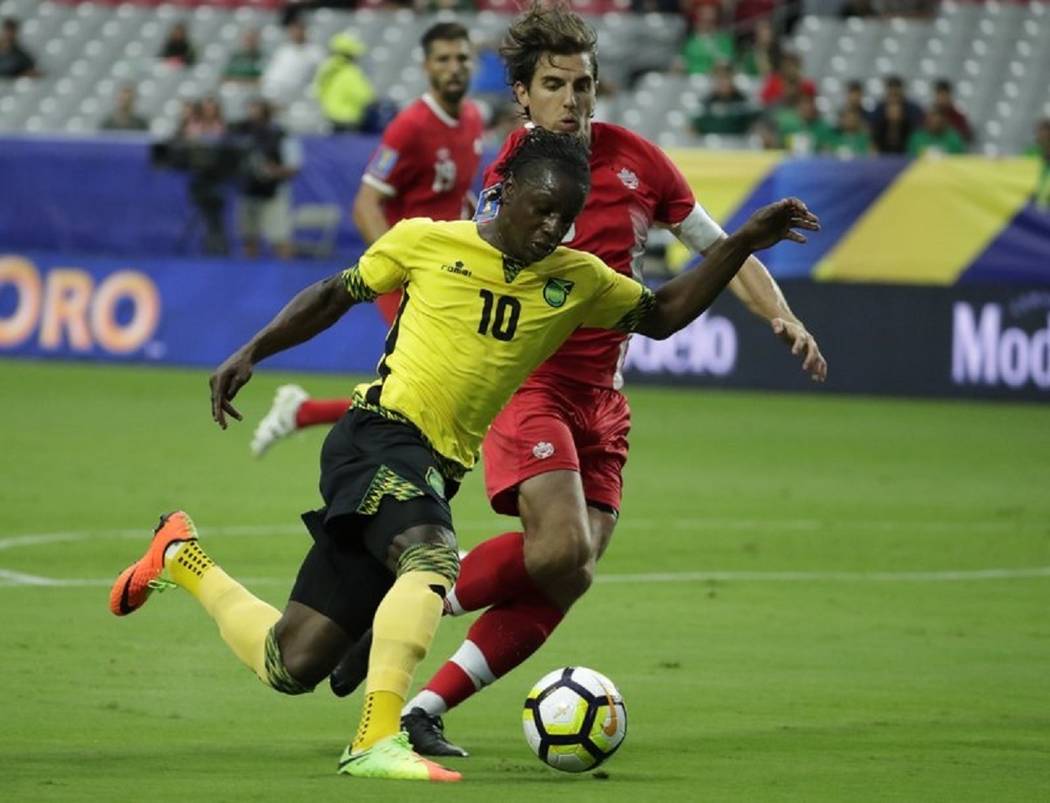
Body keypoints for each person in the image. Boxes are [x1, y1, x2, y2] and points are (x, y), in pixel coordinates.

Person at [108, 126, 820, 782]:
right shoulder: (425, 240)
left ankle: (178, 556)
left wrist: (743, 241)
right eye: (540, 209)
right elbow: (335, 293)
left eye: (563, 218)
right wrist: (253, 349)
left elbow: (662, 315)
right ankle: (376, 738)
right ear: (505, 191)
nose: (550, 228)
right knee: (431, 558)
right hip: (376, 435)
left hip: (433, 468)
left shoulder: (577, 279)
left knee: (292, 661)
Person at [326, 2, 828, 758]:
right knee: (559, 548)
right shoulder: (512, 175)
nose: (572, 99)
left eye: (583, 85)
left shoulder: (640, 162)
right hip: (532, 388)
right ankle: (411, 602)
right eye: (555, 85)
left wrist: (780, 315)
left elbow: (720, 247)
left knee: (571, 571)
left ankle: (426, 706)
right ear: (524, 96)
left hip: (605, 400)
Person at [251, 21, 483, 455]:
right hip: (410, 279)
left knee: (427, 395)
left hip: (453, 276)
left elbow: (450, 193)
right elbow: (365, 202)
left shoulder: (471, 118)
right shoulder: (410, 126)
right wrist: (399, 264)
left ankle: (303, 412)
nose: (454, 67)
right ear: (426, 66)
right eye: (444, 59)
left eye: (462, 58)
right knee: (423, 395)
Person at [230, 98, 302, 259]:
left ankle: (286, 275)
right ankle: (248, 276)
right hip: (248, 192)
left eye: (256, 109)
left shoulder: (281, 134)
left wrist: (273, 171)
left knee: (279, 238)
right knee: (248, 238)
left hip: (273, 192)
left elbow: (294, 166)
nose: (252, 113)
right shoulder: (242, 133)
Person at [314, 32, 376, 132]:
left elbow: (317, 92)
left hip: (331, 119)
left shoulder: (325, 70)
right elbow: (366, 97)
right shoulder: (349, 72)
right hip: (349, 121)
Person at [261, 17, 325, 108]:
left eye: (299, 30)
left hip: (300, 94)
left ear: (305, 31)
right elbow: (271, 74)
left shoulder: (315, 51)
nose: (295, 33)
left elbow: (322, 74)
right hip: (277, 92)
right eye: (293, 30)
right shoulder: (283, 50)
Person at [691, 61, 757, 136]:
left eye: (726, 77)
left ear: (733, 78)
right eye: (719, 77)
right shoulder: (706, 102)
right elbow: (694, 128)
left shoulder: (743, 101)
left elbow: (753, 127)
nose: (722, 81)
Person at [931, 79, 973, 146]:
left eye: (944, 95)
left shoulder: (958, 117)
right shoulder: (929, 115)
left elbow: (966, 138)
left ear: (949, 95)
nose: (941, 99)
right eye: (939, 94)